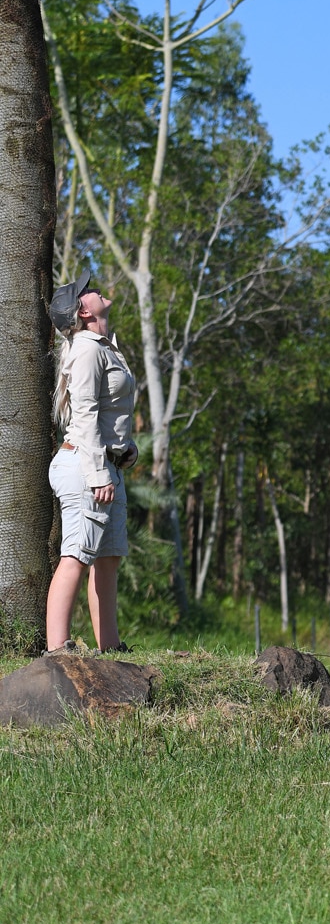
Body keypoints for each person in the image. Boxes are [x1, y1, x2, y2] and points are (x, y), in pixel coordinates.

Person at [45, 272, 139, 652]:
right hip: (87, 468)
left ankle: (111, 649)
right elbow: (83, 416)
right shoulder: (86, 350)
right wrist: (99, 472)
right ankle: (56, 651)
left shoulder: (103, 347)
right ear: (84, 311)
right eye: (89, 290)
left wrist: (125, 448)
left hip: (106, 467)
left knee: (109, 558)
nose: (96, 289)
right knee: (76, 556)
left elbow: (106, 413)